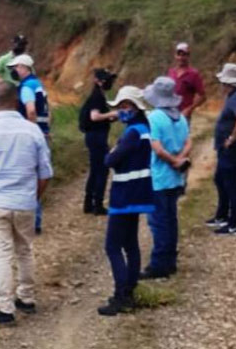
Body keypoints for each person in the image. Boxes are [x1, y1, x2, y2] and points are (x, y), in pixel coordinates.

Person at [0, 82, 53, 324]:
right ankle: (26, 297)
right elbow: (45, 173)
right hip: (25, 201)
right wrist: (33, 197)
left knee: (1, 254)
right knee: (25, 249)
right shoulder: (33, 131)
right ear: (17, 102)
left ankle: (4, 308)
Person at [98, 86, 155, 316]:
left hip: (124, 195)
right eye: (120, 107)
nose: (121, 111)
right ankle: (130, 290)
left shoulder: (132, 133)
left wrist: (111, 152)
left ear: (135, 108)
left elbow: (110, 160)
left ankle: (121, 295)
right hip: (139, 193)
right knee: (130, 244)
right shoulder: (144, 130)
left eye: (125, 106)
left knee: (112, 246)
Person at [141, 77, 191, 279]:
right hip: (176, 178)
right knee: (171, 219)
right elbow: (188, 142)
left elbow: (157, 148)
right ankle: (170, 260)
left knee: (158, 222)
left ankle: (159, 263)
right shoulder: (180, 117)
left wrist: (171, 161)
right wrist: (180, 160)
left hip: (159, 177)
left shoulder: (154, 118)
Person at [207, 64, 236, 236]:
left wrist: (232, 138)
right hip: (230, 149)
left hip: (233, 149)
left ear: (229, 83)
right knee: (220, 180)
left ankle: (234, 223)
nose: (221, 86)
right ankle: (222, 215)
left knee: (231, 184)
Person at [7, 53, 51, 234]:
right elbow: (48, 111)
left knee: (28, 177)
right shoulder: (38, 84)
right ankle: (35, 221)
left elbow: (31, 111)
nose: (13, 71)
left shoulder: (26, 87)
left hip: (33, 135)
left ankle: (32, 222)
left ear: (24, 67)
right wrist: (45, 130)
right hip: (43, 131)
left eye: (15, 68)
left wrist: (31, 132)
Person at [78, 68, 118, 215]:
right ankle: (98, 205)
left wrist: (110, 117)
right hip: (97, 136)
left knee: (95, 169)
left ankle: (89, 203)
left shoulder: (99, 95)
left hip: (94, 135)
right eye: (107, 79)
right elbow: (94, 116)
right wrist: (112, 114)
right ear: (98, 81)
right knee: (102, 169)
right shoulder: (97, 96)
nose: (109, 82)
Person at [167, 42, 207, 122]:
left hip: (183, 116)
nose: (181, 58)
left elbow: (202, 96)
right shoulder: (171, 72)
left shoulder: (193, 74)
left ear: (188, 56)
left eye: (184, 55)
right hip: (169, 113)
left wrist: (189, 109)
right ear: (175, 56)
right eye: (179, 54)